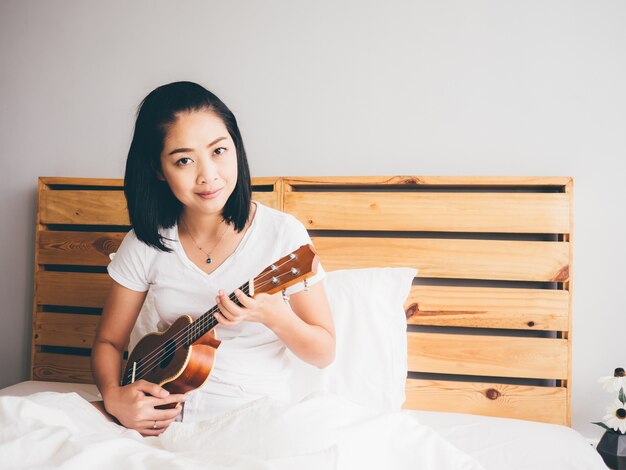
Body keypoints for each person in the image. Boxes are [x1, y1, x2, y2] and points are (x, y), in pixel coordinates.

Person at [91, 81, 335, 436]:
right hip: (160, 419)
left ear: (236, 148)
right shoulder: (146, 242)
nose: (208, 175)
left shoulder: (282, 234)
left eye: (219, 151)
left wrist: (276, 316)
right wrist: (114, 397)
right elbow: (108, 343)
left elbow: (323, 353)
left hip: (256, 419)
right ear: (159, 169)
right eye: (184, 160)